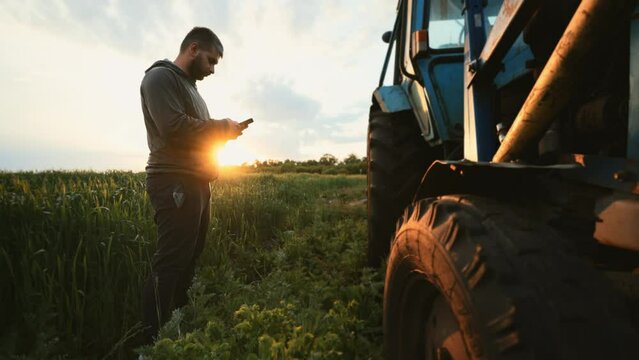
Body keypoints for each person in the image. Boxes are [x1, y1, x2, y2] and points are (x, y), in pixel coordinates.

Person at [139, 26, 243, 343]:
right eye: (211, 61)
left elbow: (198, 135)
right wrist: (222, 126)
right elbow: (173, 128)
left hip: (196, 182)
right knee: (170, 262)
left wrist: (227, 133)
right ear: (194, 49)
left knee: (190, 256)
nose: (212, 70)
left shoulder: (192, 90)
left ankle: (176, 328)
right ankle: (149, 343)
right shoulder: (159, 78)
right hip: (173, 181)